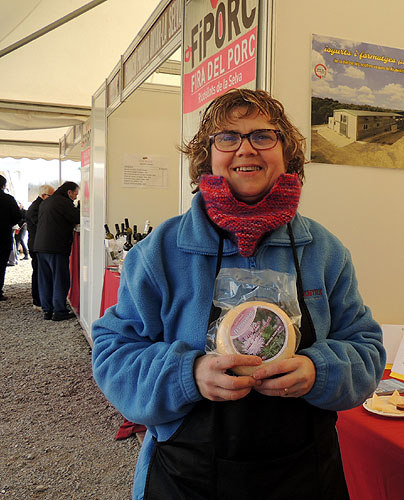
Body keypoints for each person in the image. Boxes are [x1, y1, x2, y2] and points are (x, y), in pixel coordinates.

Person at [92, 89, 386, 500]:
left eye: (263, 136)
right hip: (188, 477)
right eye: (227, 137)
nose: (246, 149)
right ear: (207, 156)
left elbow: (367, 348)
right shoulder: (161, 252)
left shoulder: (323, 251)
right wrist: (188, 374)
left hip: (304, 475)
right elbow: (113, 353)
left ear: (286, 153)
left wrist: (319, 371)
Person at [34, 181, 80, 321]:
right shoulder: (64, 202)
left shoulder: (47, 202)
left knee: (45, 280)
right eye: (75, 194)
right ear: (69, 192)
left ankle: (47, 310)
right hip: (56, 247)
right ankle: (59, 311)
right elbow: (77, 218)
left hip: (40, 246)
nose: (76, 197)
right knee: (60, 279)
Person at [26, 184, 55, 308]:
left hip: (39, 244)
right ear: (43, 196)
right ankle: (37, 301)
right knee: (38, 273)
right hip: (36, 245)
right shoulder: (35, 208)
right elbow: (42, 225)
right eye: (51, 196)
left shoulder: (40, 206)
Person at [0, 174, 21, 301]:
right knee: (1, 265)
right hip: (3, 237)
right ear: (3, 186)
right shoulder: (8, 199)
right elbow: (17, 217)